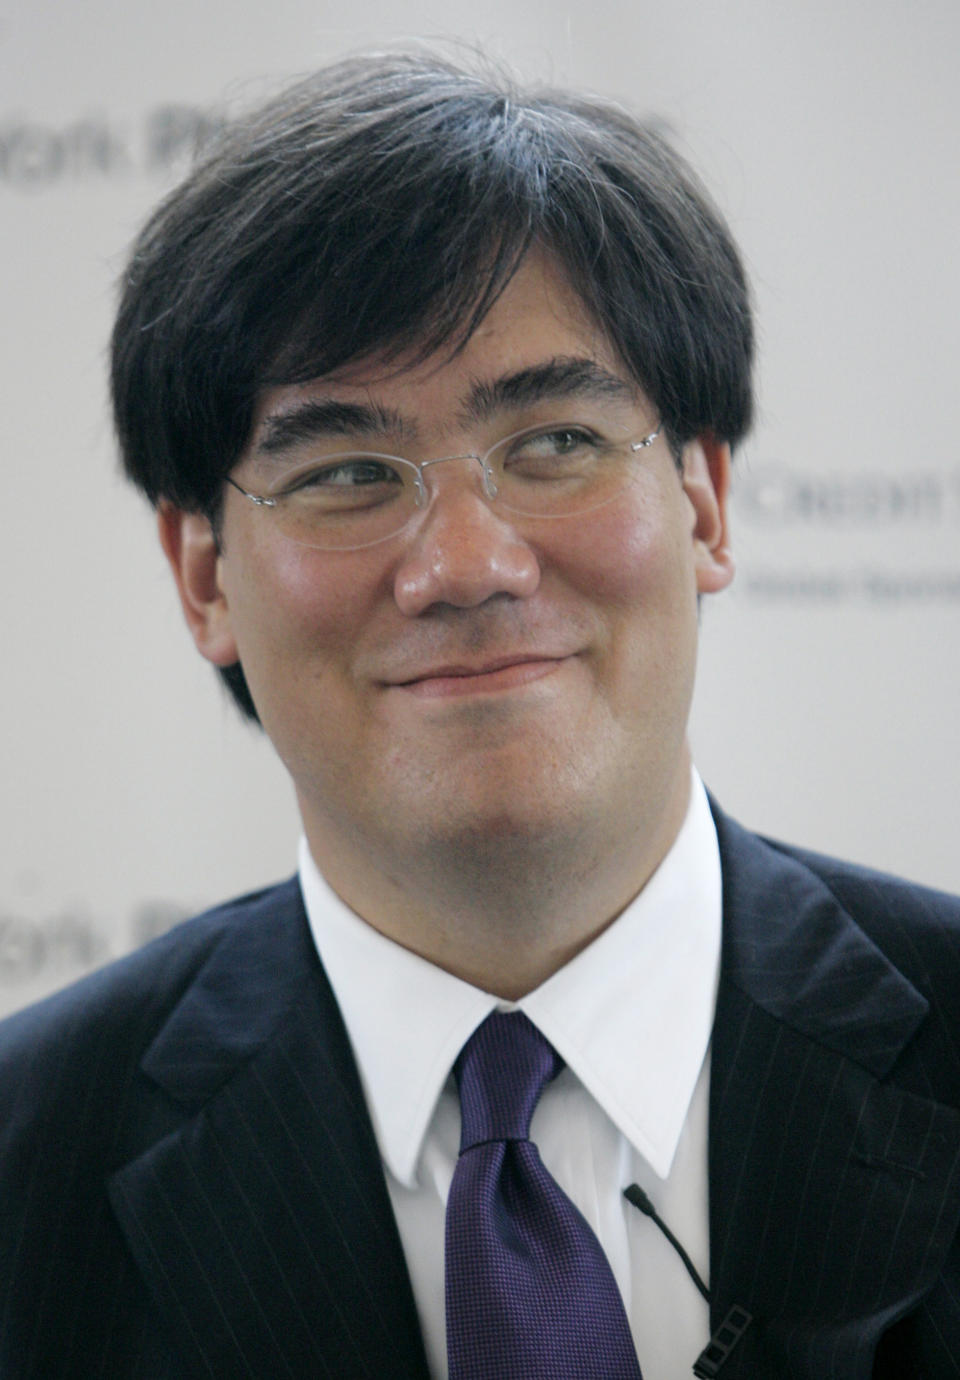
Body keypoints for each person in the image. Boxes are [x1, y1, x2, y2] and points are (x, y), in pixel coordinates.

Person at [2, 50, 959, 1380]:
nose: (467, 565)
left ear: (704, 503)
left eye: (556, 443)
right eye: (345, 472)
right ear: (204, 575)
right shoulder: (24, 1159)